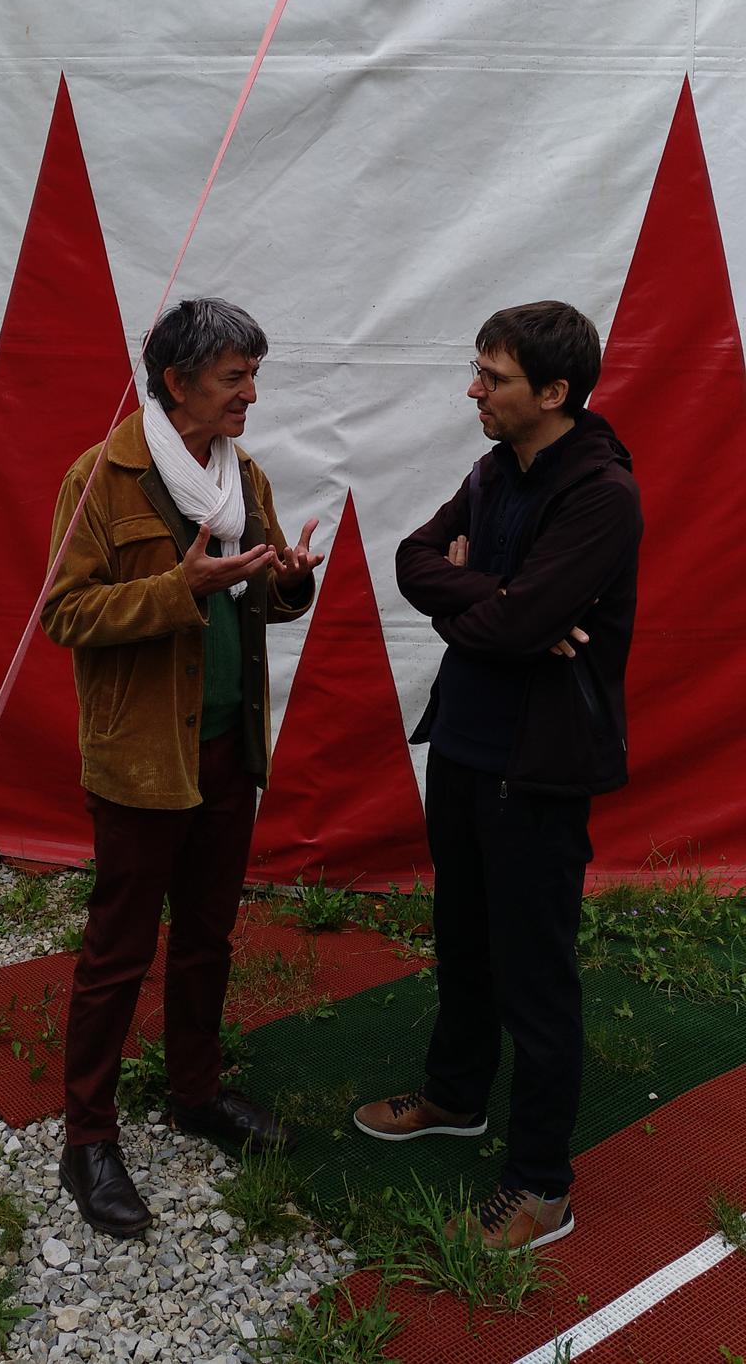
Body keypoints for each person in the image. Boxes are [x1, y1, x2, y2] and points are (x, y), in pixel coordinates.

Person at [355, 301, 642, 1252]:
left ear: (553, 393)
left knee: (536, 972)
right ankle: (455, 1095)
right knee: (463, 936)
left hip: (541, 764)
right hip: (467, 743)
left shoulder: (602, 493)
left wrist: (496, 606)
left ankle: (541, 1186)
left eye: (492, 376)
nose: (472, 390)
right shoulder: (491, 471)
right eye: (477, 370)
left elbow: (515, 625)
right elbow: (412, 560)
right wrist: (495, 600)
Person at [42, 297, 323, 1237]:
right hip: (140, 757)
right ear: (177, 382)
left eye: (253, 375)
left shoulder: (241, 475)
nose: (251, 394)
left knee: (208, 934)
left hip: (228, 750)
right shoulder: (101, 476)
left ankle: (194, 1093)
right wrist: (176, 590)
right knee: (118, 950)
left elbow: (265, 599)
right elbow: (64, 614)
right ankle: (88, 1135)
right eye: (234, 377)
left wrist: (287, 581)